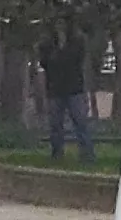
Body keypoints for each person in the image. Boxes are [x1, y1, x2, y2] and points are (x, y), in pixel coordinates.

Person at [37, 22, 96, 164]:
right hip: (55, 88)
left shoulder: (77, 41)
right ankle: (57, 153)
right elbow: (44, 61)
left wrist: (58, 57)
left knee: (80, 122)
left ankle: (87, 154)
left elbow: (75, 59)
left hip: (74, 88)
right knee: (55, 124)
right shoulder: (47, 42)